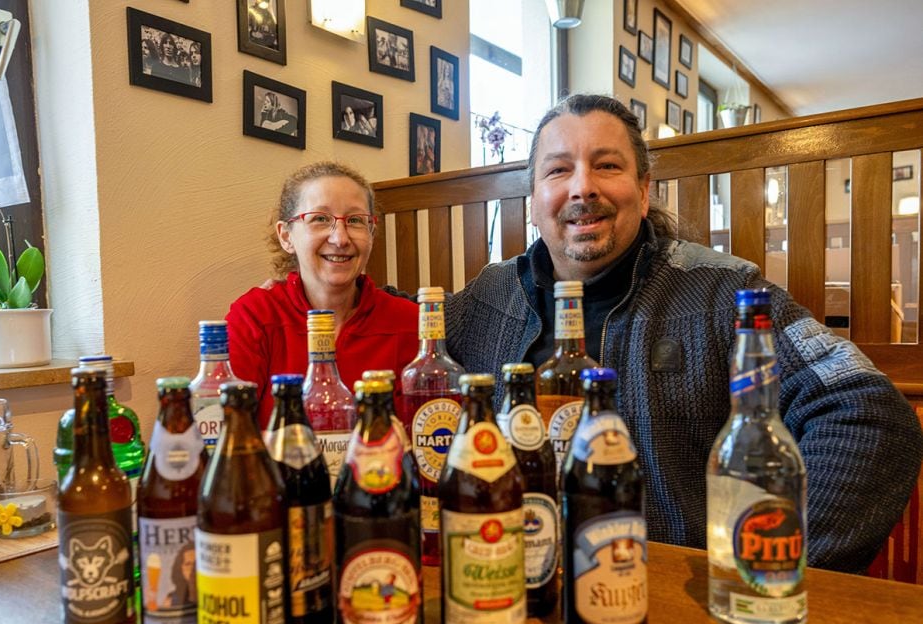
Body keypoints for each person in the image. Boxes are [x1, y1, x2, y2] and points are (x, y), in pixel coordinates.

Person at [443, 93, 923, 574]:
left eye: (607, 166)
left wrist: (763, 566)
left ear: (644, 189)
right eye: (558, 170)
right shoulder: (488, 297)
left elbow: (865, 410)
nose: (583, 187)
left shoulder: (725, 291)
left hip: (673, 601)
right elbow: (393, 321)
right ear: (533, 201)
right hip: (506, 586)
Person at [227, 162, 419, 425]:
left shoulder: (410, 321)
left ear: (371, 234)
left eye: (354, 221)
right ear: (286, 236)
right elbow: (225, 433)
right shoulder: (254, 316)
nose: (340, 238)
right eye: (320, 219)